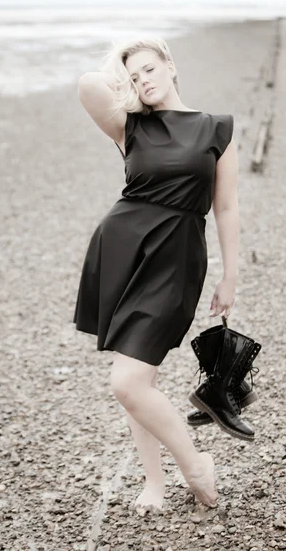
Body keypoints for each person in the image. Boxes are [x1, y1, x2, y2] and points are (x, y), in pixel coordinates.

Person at [73, 36, 239, 512]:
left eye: (149, 68)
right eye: (133, 76)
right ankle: (155, 483)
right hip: (122, 253)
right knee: (137, 379)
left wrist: (230, 276)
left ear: (171, 66)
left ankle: (195, 464)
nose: (143, 79)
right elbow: (87, 84)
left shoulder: (216, 128)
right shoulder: (130, 127)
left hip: (177, 258)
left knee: (129, 382)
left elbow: (226, 207)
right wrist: (121, 75)